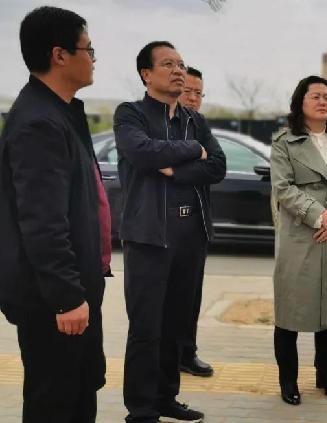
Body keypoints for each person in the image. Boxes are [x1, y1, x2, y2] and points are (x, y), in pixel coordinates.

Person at [0, 6, 107, 422]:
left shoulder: (61, 112)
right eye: (88, 48)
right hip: (54, 302)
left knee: (79, 394)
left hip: (74, 291)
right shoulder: (39, 123)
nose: (94, 58)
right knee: (56, 403)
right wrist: (67, 298)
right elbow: (42, 223)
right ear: (60, 55)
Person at [114, 41, 226, 423]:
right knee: (146, 328)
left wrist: (175, 168)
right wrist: (194, 150)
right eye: (168, 64)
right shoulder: (130, 113)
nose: (179, 70)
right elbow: (142, 152)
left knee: (177, 325)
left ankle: (166, 398)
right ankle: (141, 410)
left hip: (191, 236)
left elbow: (218, 166)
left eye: (181, 64)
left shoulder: (195, 120)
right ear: (146, 74)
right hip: (150, 236)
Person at [270, 75, 327, 406]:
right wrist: (321, 216)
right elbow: (283, 188)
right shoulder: (284, 142)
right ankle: (288, 381)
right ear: (300, 102)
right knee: (291, 312)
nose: (324, 102)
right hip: (301, 235)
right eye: (316, 96)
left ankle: (325, 376)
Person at [176, 65, 214, 378]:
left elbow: (218, 166)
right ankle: (168, 358)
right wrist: (196, 158)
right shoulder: (162, 125)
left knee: (191, 298)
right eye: (188, 91)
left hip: (196, 228)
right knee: (167, 301)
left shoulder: (200, 125)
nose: (193, 98)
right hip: (165, 228)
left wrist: (177, 170)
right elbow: (156, 159)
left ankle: (187, 354)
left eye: (199, 93)